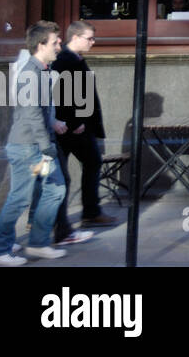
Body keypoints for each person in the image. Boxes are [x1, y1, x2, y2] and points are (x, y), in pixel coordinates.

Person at [0, 21, 71, 265]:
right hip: (29, 150)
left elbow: (41, 110)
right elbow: (30, 112)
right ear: (41, 44)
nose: (60, 45)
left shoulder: (42, 71)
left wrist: (54, 123)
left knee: (54, 187)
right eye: (56, 42)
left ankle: (37, 242)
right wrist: (45, 143)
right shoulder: (30, 72)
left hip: (37, 149)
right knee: (20, 197)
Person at [52, 21, 117, 243]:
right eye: (89, 38)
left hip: (78, 126)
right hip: (71, 129)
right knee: (61, 176)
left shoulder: (75, 59)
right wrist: (75, 120)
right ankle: (75, 218)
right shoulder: (64, 60)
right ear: (75, 37)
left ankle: (90, 212)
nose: (93, 42)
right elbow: (59, 94)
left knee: (91, 163)